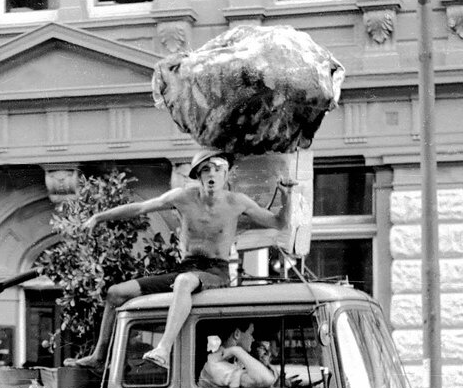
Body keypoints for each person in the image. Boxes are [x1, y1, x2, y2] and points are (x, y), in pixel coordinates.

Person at [65, 149, 295, 370]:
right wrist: (98, 216)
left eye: (217, 169)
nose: (211, 174)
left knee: (184, 282)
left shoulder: (238, 202)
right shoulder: (184, 197)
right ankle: (98, 356)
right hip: (186, 268)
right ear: (198, 176)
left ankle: (163, 349)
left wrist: (286, 197)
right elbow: (140, 207)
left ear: (226, 174)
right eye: (206, 169)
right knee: (116, 293)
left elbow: (278, 223)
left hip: (216, 272)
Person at [199, 321, 276, 388]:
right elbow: (266, 379)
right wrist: (236, 350)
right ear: (237, 334)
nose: (253, 339)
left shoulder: (230, 361)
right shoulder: (216, 365)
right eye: (250, 334)